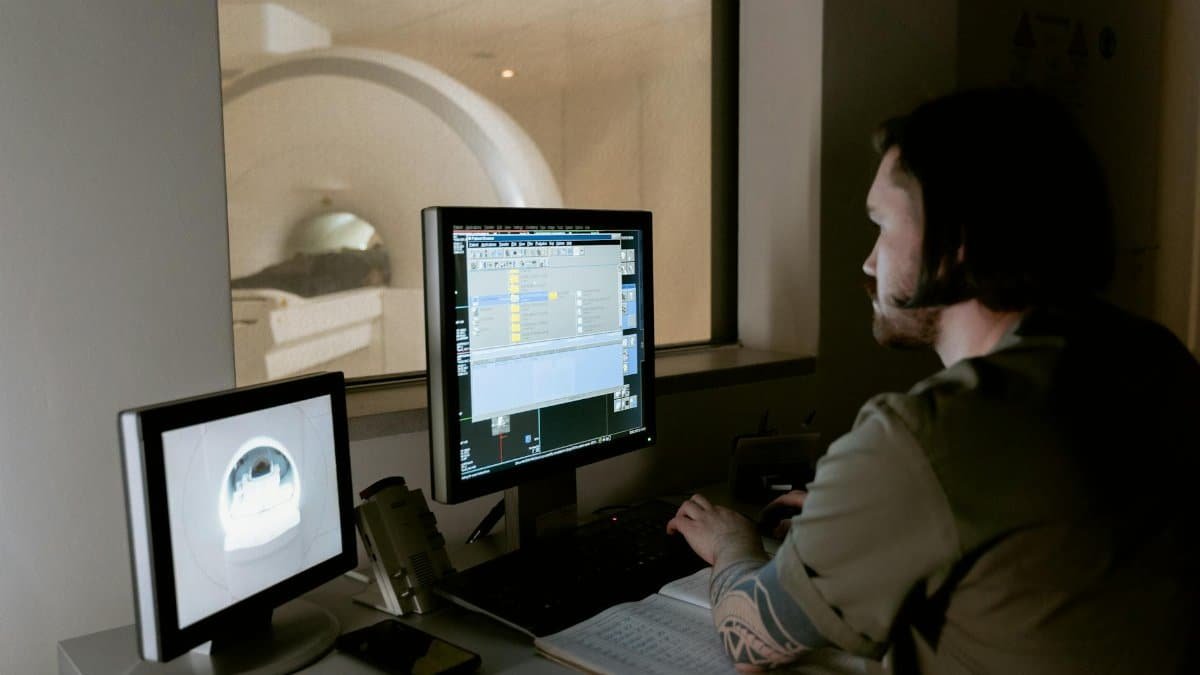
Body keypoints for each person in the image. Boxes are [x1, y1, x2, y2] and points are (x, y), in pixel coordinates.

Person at [667, 87, 1200, 674]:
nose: (869, 262)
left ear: (958, 241)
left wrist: (732, 544)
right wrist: (864, 512)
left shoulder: (927, 435)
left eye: (883, 226)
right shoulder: (1155, 355)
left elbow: (751, 643)